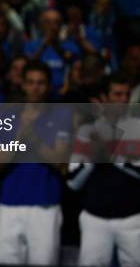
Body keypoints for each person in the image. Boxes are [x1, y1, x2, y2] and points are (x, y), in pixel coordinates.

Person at [0, 60, 72, 266]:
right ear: (23, 84)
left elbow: (61, 164)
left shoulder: (61, 117)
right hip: (9, 205)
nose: (35, 88)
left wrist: (34, 138)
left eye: (41, 83)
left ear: (48, 85)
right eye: (31, 82)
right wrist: (19, 137)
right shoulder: (8, 117)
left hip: (45, 207)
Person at [68, 73, 140, 267]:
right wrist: (92, 159)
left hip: (133, 219)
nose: (123, 100)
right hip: (94, 220)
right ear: (105, 97)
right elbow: (73, 182)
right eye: (117, 95)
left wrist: (111, 154)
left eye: (126, 95)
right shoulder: (88, 130)